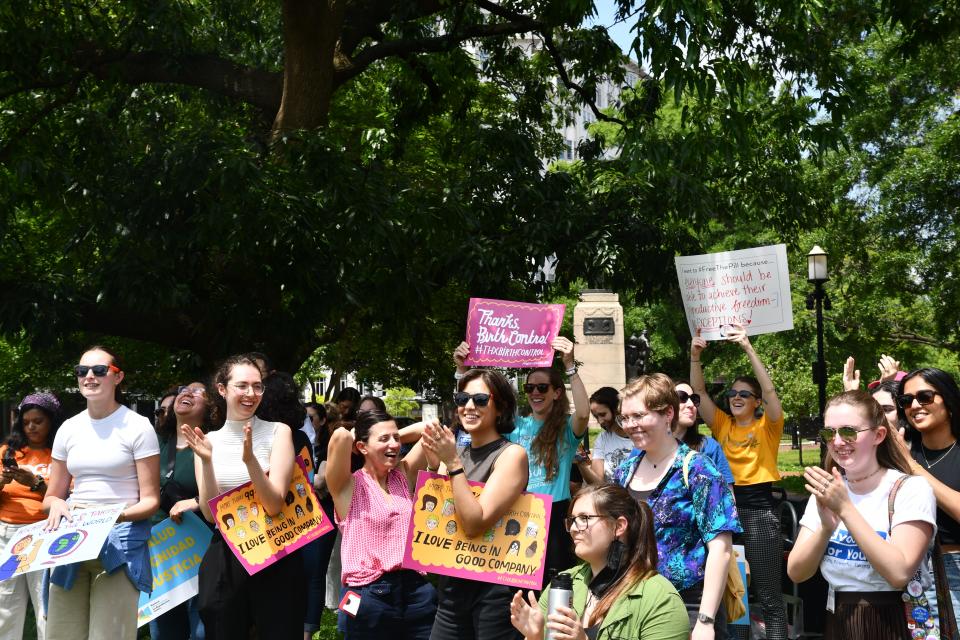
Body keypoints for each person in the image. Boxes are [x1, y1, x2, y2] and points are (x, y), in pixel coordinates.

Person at [787, 390, 936, 638]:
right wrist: (825, 529)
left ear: (878, 435)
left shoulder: (910, 489)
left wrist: (845, 510)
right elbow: (797, 572)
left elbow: (899, 573)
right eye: (828, 433)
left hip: (896, 620)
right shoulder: (828, 491)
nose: (836, 441)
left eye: (848, 432)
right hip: (839, 619)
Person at [182, 354, 304, 639]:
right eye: (242, 386)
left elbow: (274, 503)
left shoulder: (279, 432)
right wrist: (207, 462)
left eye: (258, 386)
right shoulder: (207, 441)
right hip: (227, 552)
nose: (251, 394)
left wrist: (251, 462)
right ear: (222, 389)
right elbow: (211, 514)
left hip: (275, 549)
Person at [43, 346, 161, 640]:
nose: (89, 377)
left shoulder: (138, 426)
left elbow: (150, 500)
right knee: (61, 634)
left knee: (110, 635)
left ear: (117, 377)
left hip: (119, 543)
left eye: (99, 370)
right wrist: (56, 504)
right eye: (82, 371)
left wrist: (111, 516)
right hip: (72, 542)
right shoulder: (68, 428)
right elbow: (51, 496)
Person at [455, 336, 589, 587]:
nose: (535, 393)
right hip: (515, 513)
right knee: (518, 591)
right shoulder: (514, 425)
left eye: (542, 388)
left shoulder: (565, 429)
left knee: (555, 592)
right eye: (529, 388)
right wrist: (461, 371)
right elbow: (470, 419)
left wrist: (570, 366)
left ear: (557, 392)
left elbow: (583, 413)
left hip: (554, 517)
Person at [613, 373, 740, 639]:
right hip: (633, 599)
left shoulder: (698, 469)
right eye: (624, 418)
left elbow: (721, 548)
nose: (630, 425)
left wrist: (705, 621)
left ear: (667, 413)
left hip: (689, 604)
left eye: (638, 416)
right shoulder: (624, 472)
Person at [690, 323, 787, 639]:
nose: (736, 397)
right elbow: (699, 393)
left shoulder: (768, 425)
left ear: (757, 401)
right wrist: (695, 357)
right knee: (731, 596)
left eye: (745, 393)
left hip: (759, 511)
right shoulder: (722, 424)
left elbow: (771, 392)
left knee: (769, 596)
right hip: (725, 510)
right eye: (732, 393)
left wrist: (748, 347)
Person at [422, 369, 529, 640]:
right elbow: (441, 517)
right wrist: (434, 466)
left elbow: (473, 523)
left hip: (493, 590)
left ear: (501, 407)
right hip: (452, 585)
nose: (469, 406)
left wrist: (453, 465)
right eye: (462, 398)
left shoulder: (511, 455)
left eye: (480, 399)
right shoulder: (456, 453)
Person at [510, 484, 689, 640]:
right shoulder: (563, 584)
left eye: (584, 518)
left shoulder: (661, 599)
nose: (573, 528)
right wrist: (534, 636)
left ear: (618, 526)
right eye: (572, 520)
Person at [326, 409, 435, 639]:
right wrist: (365, 434)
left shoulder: (402, 475)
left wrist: (387, 437)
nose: (394, 445)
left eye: (396, 438)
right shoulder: (347, 486)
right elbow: (341, 437)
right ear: (362, 447)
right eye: (384, 439)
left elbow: (429, 429)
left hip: (415, 592)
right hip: (367, 595)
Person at [893, 368, 960, 623]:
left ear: (949, 400)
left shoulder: (909, 460)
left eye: (925, 397)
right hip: (910, 572)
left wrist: (913, 468)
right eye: (906, 400)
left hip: (954, 569)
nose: (914, 405)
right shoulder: (903, 451)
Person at [150, 381, 213, 640]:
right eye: (184, 389)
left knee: (201, 631)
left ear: (211, 408)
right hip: (159, 549)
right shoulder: (153, 443)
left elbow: (228, 492)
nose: (186, 393)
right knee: (164, 631)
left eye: (198, 392)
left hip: (199, 547)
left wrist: (196, 501)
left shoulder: (212, 443)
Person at [0, 392, 61, 640]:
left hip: (45, 534)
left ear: (51, 422)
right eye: (26, 422)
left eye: (38, 421)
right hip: (7, 535)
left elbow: (68, 496)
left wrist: (36, 483)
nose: (31, 426)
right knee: (5, 605)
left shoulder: (60, 454)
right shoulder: (7, 451)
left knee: (46, 605)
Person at [673, 381, 734, 486]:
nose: (691, 404)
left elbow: (728, 498)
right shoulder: (647, 448)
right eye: (682, 397)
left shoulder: (709, 447)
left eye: (694, 399)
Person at [580, 387, 632, 485]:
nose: (600, 421)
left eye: (603, 414)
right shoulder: (602, 439)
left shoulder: (638, 436)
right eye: (596, 417)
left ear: (617, 409)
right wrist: (581, 463)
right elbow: (597, 483)